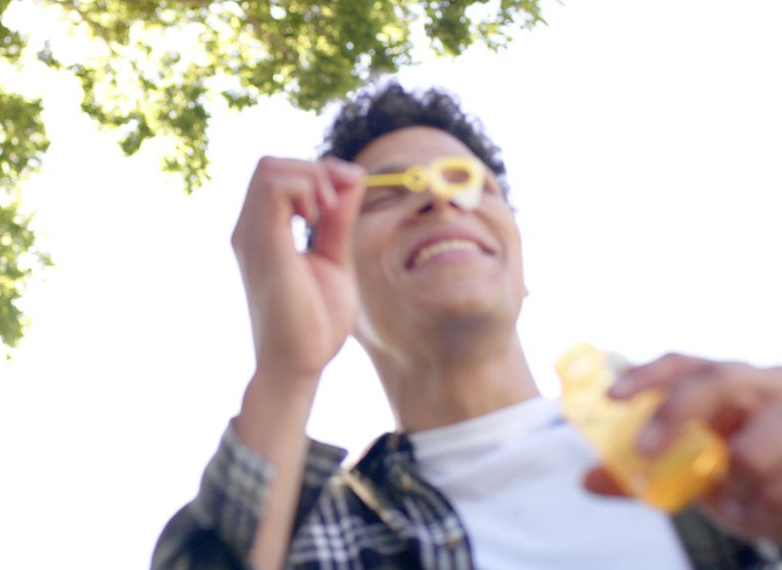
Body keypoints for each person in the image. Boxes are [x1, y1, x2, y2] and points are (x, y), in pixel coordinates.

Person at [151, 82, 782, 569]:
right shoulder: (322, 533)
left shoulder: (706, 444)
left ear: (518, 253)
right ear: (332, 277)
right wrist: (287, 370)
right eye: (387, 194)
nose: (440, 198)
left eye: (466, 181)